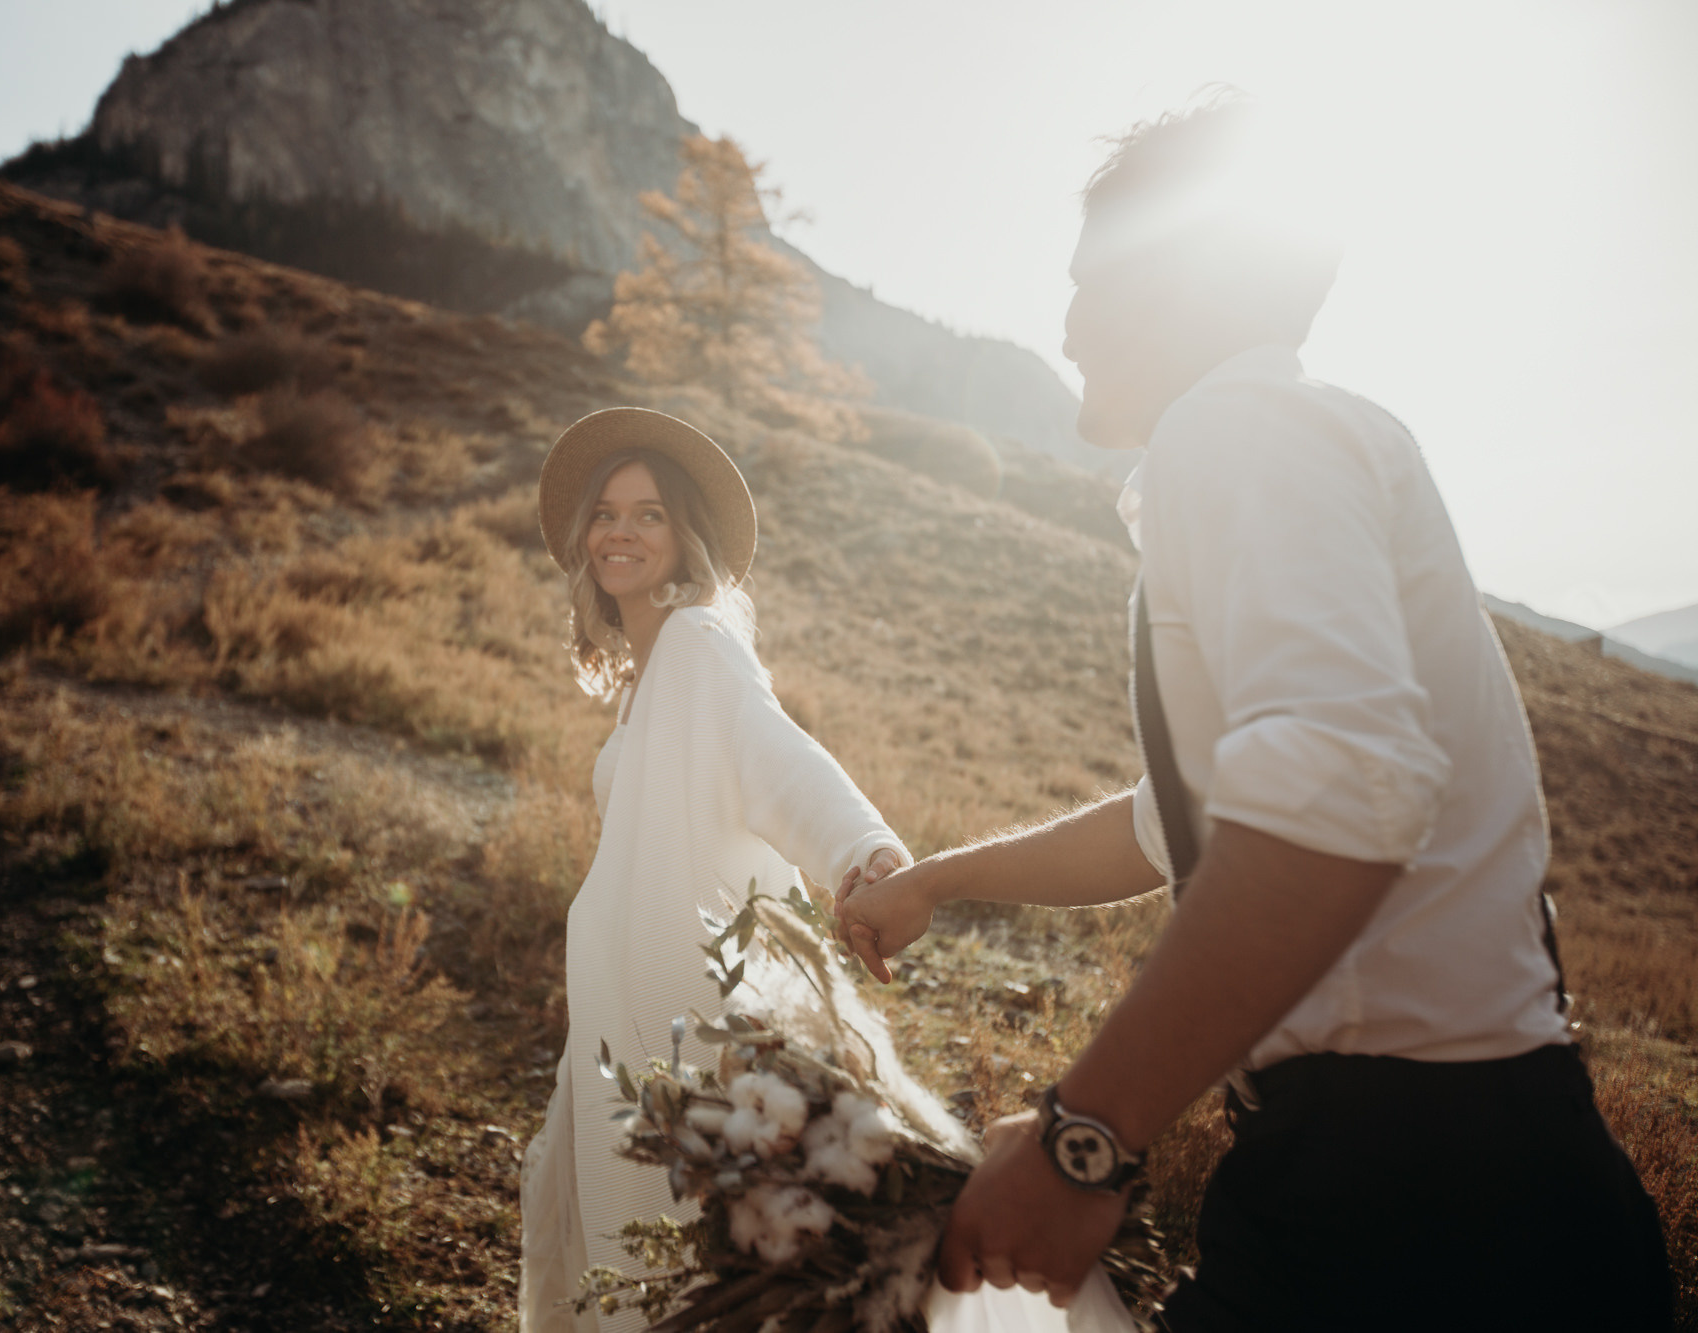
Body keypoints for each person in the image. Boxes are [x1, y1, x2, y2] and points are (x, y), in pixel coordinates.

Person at [834, 96, 1673, 1329]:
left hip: (1411, 1202)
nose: (1062, 325)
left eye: (1083, 284)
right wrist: (941, 880)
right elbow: (1177, 821)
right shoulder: (1282, 438)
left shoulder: (1235, 429)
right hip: (1458, 1170)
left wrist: (1086, 1137)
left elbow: (1336, 792)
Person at [517, 407, 912, 1333]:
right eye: (607, 512)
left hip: (689, 1004)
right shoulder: (642, 681)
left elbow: (777, 755)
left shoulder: (698, 646)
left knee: (680, 1254)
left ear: (684, 534)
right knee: (630, 1244)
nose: (621, 530)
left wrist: (864, 853)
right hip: (621, 1003)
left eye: (649, 512)